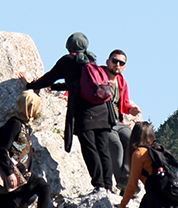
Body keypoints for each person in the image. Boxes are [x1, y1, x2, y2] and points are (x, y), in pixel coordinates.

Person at [24, 32, 119, 192]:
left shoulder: (68, 60)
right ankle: (109, 186)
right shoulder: (91, 59)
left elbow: (50, 77)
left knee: (90, 148)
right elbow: (80, 83)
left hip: (85, 112)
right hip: (103, 110)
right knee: (103, 148)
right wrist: (55, 88)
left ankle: (99, 184)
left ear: (70, 46)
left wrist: (30, 85)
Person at [105, 49, 142, 184]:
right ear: (108, 62)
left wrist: (131, 109)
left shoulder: (122, 82)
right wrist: (67, 95)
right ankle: (122, 182)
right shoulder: (98, 76)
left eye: (121, 63)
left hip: (118, 122)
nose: (117, 65)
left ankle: (127, 177)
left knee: (133, 142)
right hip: (103, 122)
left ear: (124, 67)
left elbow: (124, 103)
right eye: (115, 61)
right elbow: (82, 86)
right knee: (116, 146)